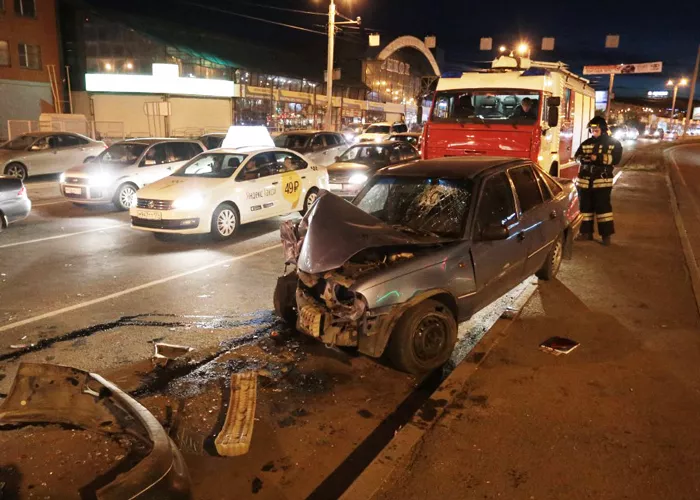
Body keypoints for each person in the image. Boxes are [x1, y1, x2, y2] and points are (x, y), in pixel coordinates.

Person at [574, 116, 623, 245]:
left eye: (596, 130)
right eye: (591, 130)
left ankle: (606, 236)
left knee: (603, 209)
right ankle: (586, 233)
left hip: (602, 181)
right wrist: (582, 159)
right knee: (585, 208)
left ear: (603, 129)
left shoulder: (614, 143)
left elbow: (616, 159)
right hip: (585, 181)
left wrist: (598, 158)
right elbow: (576, 156)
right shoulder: (586, 143)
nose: (593, 132)